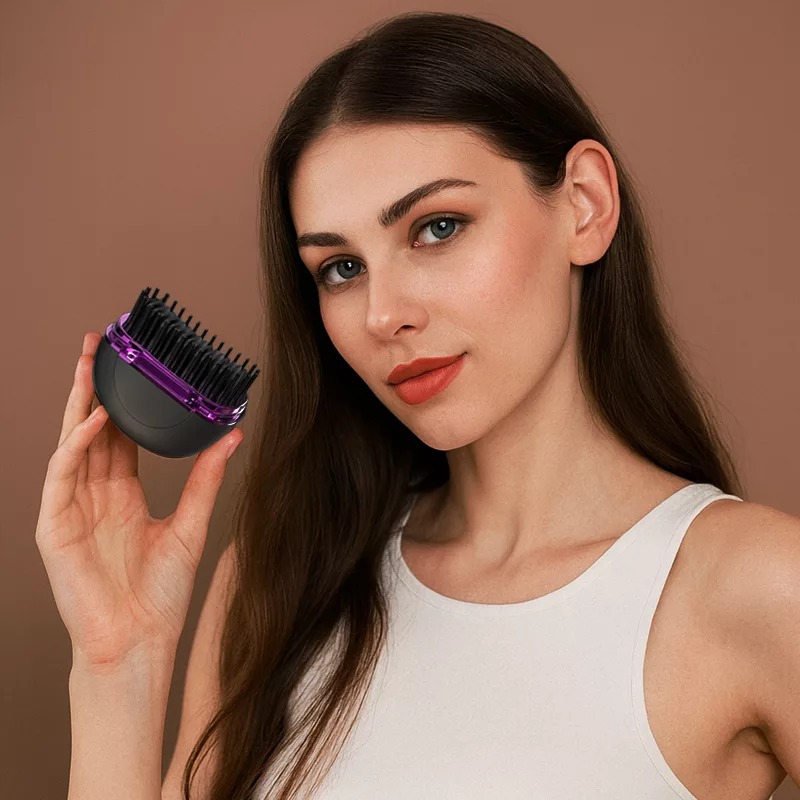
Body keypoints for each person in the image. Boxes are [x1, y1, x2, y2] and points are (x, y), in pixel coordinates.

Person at [36, 11, 799, 800]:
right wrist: (117, 661)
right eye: (340, 268)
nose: (382, 315)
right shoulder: (280, 580)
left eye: (437, 227)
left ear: (584, 204)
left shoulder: (760, 590)